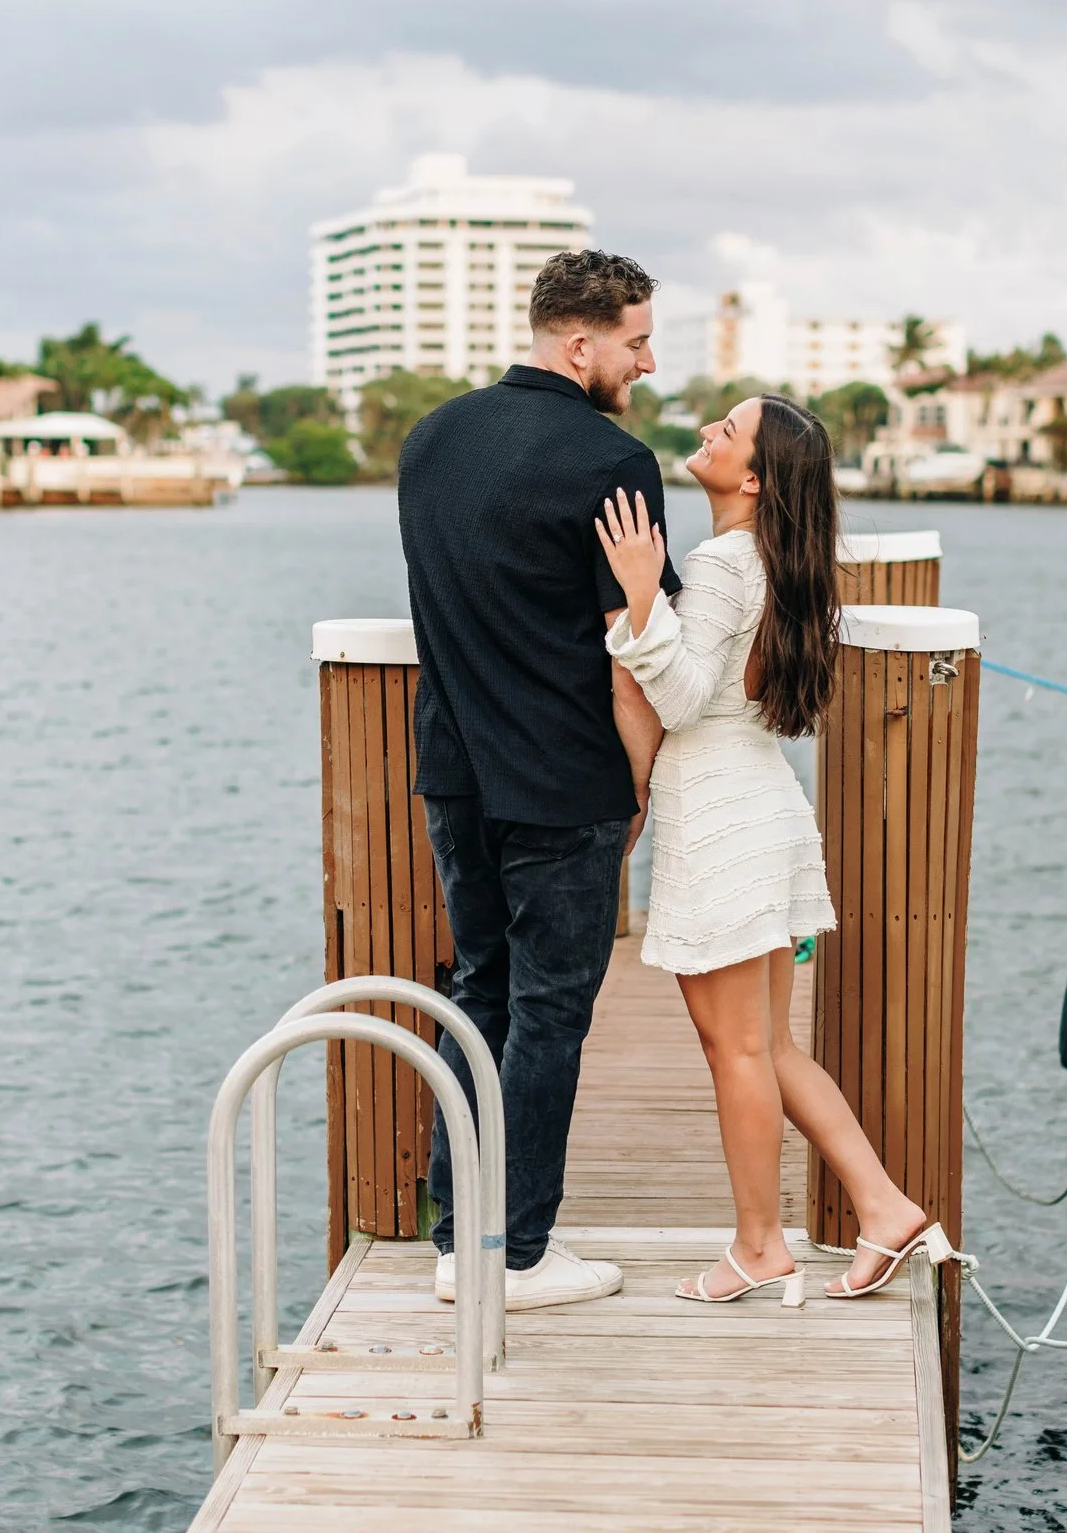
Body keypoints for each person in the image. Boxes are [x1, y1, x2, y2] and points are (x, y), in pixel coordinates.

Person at [594, 395, 950, 1303]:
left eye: (729, 429)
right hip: (763, 807)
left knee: (739, 1052)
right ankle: (884, 1206)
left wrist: (640, 598)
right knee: (770, 1046)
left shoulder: (718, 565)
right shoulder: (777, 563)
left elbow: (677, 699)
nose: (709, 430)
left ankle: (759, 1246)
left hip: (720, 820)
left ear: (752, 477)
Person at [398, 248, 678, 1310]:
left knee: (478, 992)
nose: (645, 362)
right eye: (636, 340)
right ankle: (515, 1255)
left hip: (456, 766)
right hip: (564, 775)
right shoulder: (611, 459)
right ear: (581, 343)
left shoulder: (431, 440)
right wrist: (640, 787)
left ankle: (451, 1243)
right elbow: (634, 640)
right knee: (552, 1012)